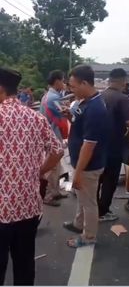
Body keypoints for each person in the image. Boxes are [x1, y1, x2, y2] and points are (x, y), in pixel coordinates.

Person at [0, 67, 63, 285]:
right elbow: (58, 150)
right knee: (25, 263)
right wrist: (39, 171)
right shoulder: (35, 118)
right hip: (28, 206)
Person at [63, 65, 109, 248]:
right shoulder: (85, 102)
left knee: (89, 202)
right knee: (83, 198)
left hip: (89, 165)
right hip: (82, 163)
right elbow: (79, 127)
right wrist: (69, 116)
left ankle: (89, 237)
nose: (71, 90)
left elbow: (89, 145)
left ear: (84, 83)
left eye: (73, 86)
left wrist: (79, 173)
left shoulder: (96, 108)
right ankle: (78, 224)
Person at [98, 68, 129, 222]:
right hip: (114, 146)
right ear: (122, 81)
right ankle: (103, 211)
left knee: (97, 178)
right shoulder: (122, 99)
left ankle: (93, 209)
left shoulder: (100, 96)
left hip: (97, 145)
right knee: (109, 180)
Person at [40, 70, 68, 206]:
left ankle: (55, 191)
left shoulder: (48, 96)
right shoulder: (53, 98)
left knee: (56, 167)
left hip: (48, 136)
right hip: (52, 137)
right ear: (57, 81)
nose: (64, 83)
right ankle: (49, 195)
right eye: (63, 80)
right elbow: (66, 113)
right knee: (52, 167)